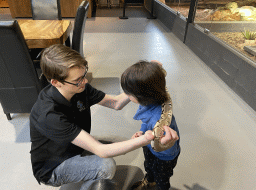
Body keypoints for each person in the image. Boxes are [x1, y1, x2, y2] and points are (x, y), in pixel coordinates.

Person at [29, 44, 179, 190]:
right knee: (106, 165)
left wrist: (141, 82)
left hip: (72, 145)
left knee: (123, 143)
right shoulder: (48, 114)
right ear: (56, 83)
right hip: (54, 166)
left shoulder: (79, 88)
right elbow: (101, 151)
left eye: (84, 74)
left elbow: (116, 103)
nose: (85, 81)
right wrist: (147, 138)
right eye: (78, 80)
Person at [121, 60, 181, 190]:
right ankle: (150, 180)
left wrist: (161, 144)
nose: (126, 96)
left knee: (162, 178)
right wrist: (142, 132)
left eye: (129, 94)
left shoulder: (158, 118)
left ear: (142, 96)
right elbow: (146, 122)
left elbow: (167, 147)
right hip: (150, 144)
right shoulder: (154, 97)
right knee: (149, 165)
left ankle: (158, 185)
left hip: (164, 156)